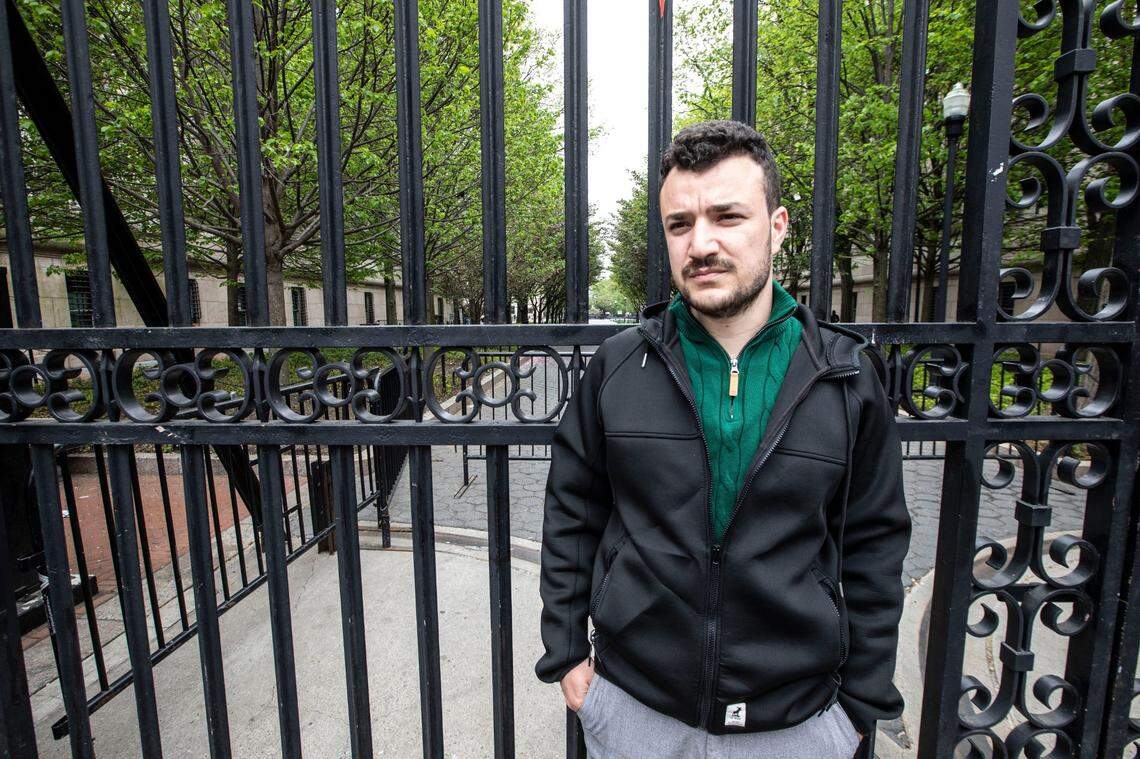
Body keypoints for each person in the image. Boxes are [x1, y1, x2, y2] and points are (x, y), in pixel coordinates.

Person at [534, 120, 911, 758]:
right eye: (680, 224)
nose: (701, 243)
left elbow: (874, 542)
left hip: (797, 724)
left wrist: (859, 706)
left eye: (727, 216)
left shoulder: (846, 375)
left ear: (778, 224)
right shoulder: (619, 366)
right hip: (635, 711)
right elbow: (572, 512)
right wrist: (568, 655)